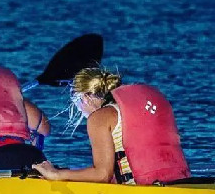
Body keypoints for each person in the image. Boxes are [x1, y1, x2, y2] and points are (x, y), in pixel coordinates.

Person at [32, 67, 190, 184]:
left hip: (139, 190)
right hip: (178, 181)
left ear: (85, 98)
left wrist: (57, 174)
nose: (80, 108)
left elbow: (102, 174)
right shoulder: (133, 109)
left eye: (76, 102)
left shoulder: (100, 118)